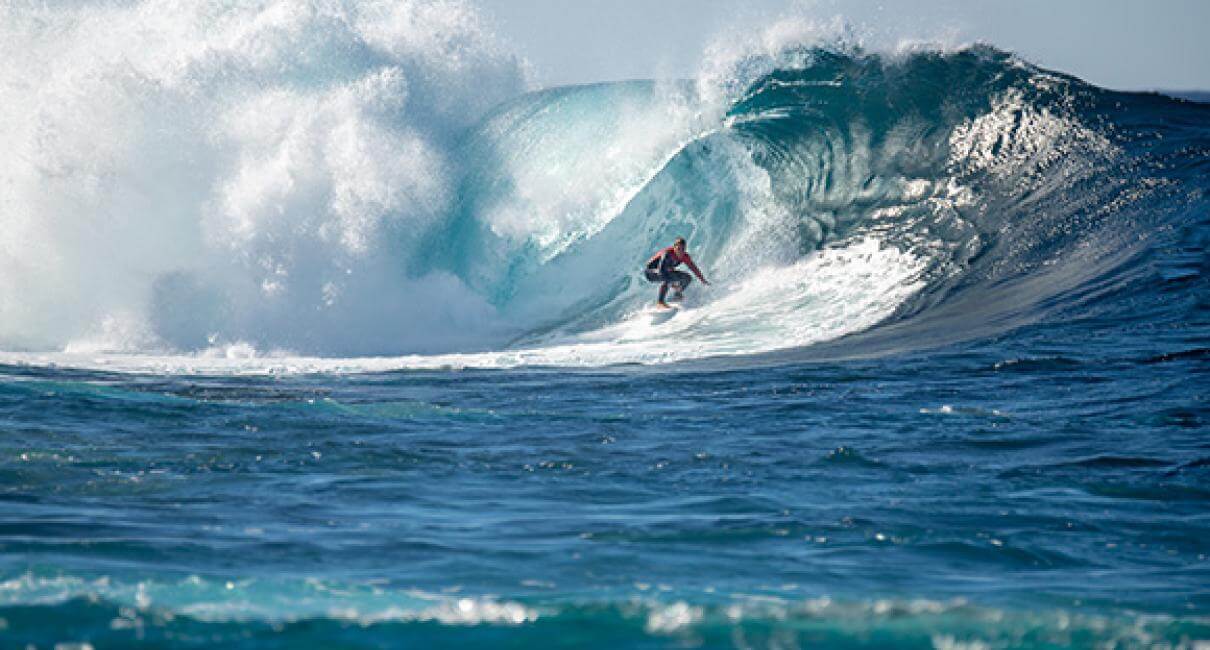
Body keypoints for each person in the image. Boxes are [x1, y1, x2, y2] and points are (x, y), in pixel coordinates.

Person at [643, 237, 709, 308]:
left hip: (666, 272)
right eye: (678, 249)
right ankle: (660, 301)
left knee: (687, 278)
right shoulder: (667, 254)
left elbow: (694, 268)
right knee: (668, 277)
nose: (680, 252)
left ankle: (677, 294)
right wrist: (673, 285)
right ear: (674, 248)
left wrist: (703, 280)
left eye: (683, 249)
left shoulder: (685, 256)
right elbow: (661, 271)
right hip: (650, 272)